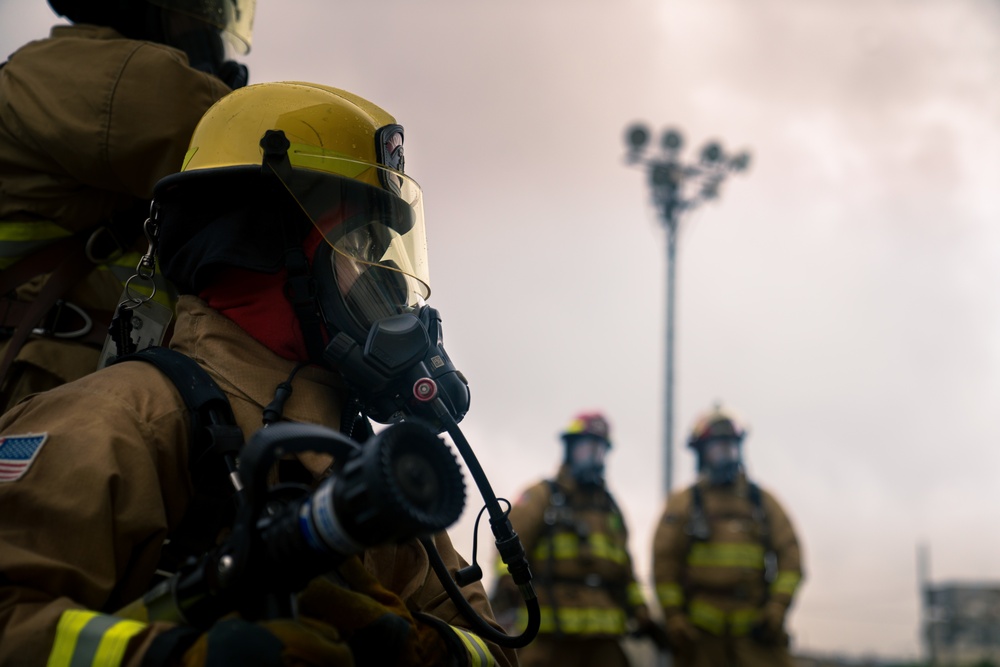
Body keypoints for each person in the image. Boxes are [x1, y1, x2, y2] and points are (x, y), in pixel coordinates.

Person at [0, 81, 516, 666]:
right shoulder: (121, 423)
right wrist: (182, 657)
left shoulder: (371, 470)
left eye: (392, 254)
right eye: (363, 243)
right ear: (265, 242)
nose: (393, 287)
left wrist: (425, 652)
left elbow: (495, 653)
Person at [0, 0, 254, 412]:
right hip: (49, 385)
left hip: (87, 385)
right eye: (196, 10)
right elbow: (251, 150)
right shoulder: (99, 74)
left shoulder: (56, 68)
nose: (208, 29)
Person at [490, 411, 655, 667]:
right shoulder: (543, 496)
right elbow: (508, 547)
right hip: (550, 636)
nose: (594, 457)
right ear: (570, 449)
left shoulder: (611, 510)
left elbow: (626, 573)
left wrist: (642, 613)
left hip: (604, 639)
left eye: (600, 450)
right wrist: (507, 582)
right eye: (587, 448)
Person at [651, 403, 804, 667]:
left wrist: (777, 607)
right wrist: (674, 617)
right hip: (701, 637)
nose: (727, 455)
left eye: (731, 447)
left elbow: (791, 557)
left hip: (755, 632)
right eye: (718, 448)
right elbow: (664, 563)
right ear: (701, 453)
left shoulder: (762, 502)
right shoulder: (684, 504)